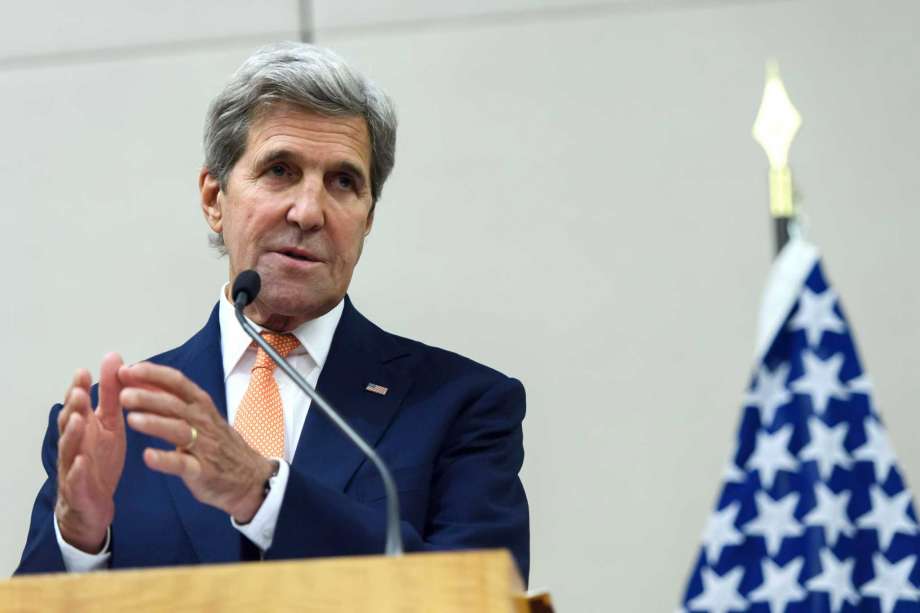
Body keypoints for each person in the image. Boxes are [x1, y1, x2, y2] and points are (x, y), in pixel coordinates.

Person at [16, 42, 529, 581]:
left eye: (343, 182)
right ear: (215, 199)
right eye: (280, 170)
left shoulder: (460, 406)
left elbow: (479, 594)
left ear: (368, 218)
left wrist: (264, 494)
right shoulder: (117, 422)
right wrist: (78, 539)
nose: (309, 212)